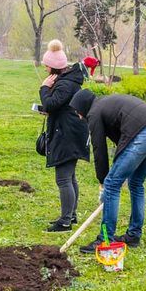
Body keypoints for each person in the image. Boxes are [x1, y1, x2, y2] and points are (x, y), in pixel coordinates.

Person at [69, 90, 146, 253]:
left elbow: (99, 148)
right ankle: (134, 235)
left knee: (112, 184)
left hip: (143, 134)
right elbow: (123, 139)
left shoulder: (94, 112)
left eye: (77, 112)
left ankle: (105, 240)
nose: (79, 116)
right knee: (136, 183)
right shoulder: (105, 103)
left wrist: (103, 181)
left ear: (82, 107)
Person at [39, 39, 90, 232]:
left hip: (67, 135)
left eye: (46, 66)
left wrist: (44, 88)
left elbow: (52, 104)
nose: (45, 69)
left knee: (63, 179)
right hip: (71, 131)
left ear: (53, 67)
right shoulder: (68, 81)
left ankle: (65, 221)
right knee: (70, 177)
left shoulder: (64, 85)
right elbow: (57, 106)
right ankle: (72, 214)